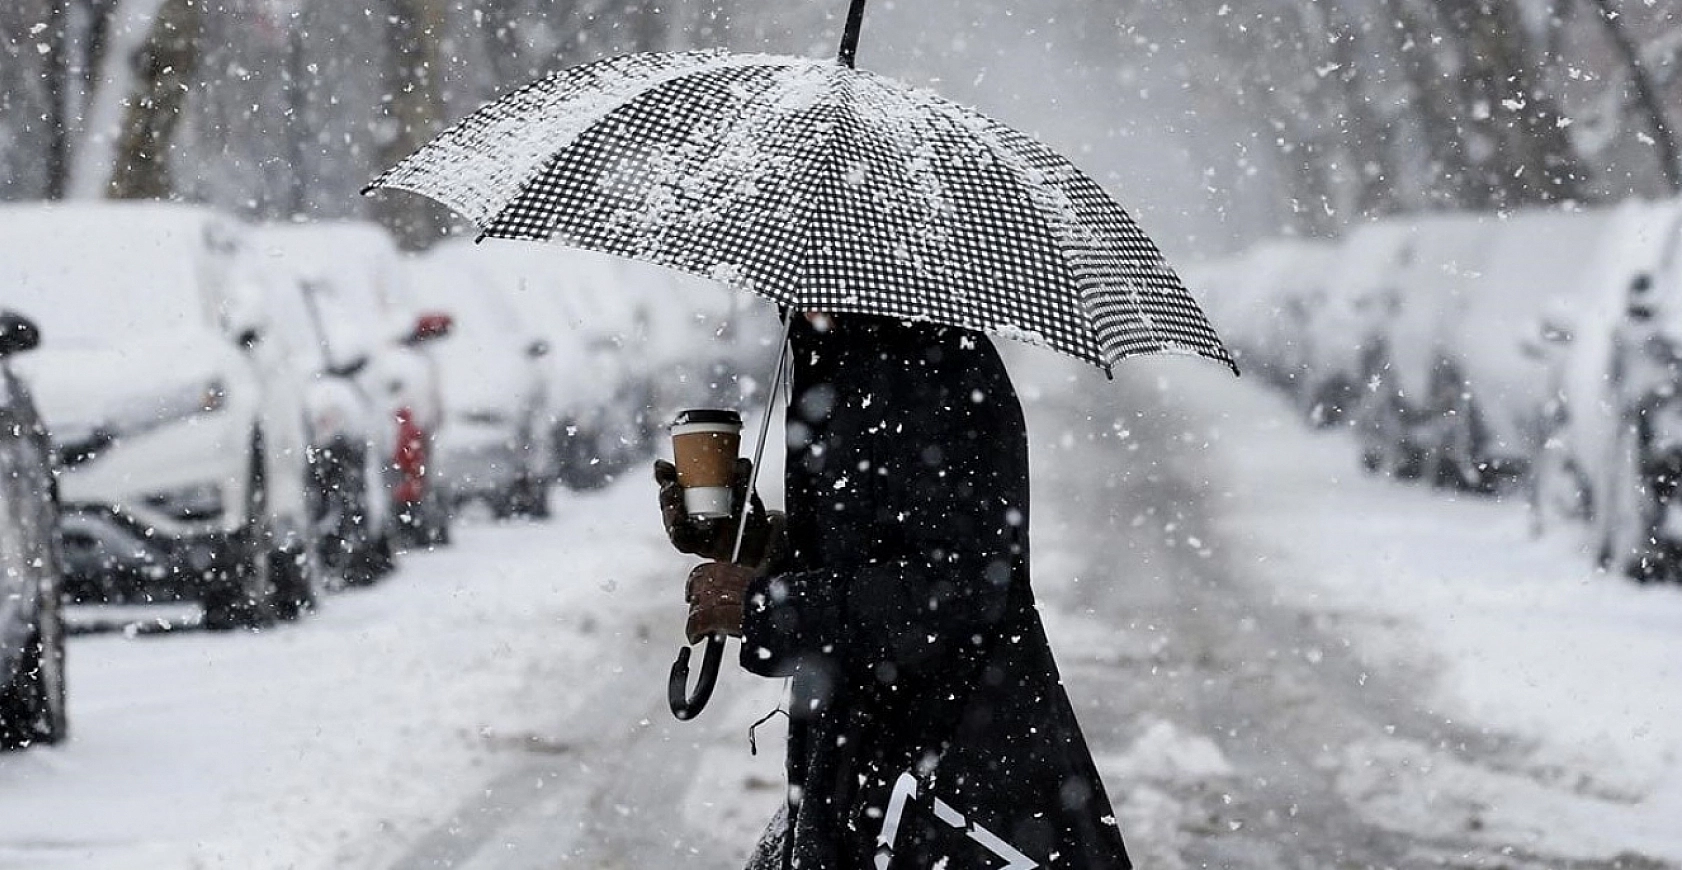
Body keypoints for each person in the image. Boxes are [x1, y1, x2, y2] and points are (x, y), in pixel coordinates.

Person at [655, 312, 1132, 869]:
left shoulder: (936, 369)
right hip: (864, 766)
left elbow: (959, 587)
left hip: (946, 773)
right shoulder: (839, 353)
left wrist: (772, 608)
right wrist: (751, 541)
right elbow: (863, 546)